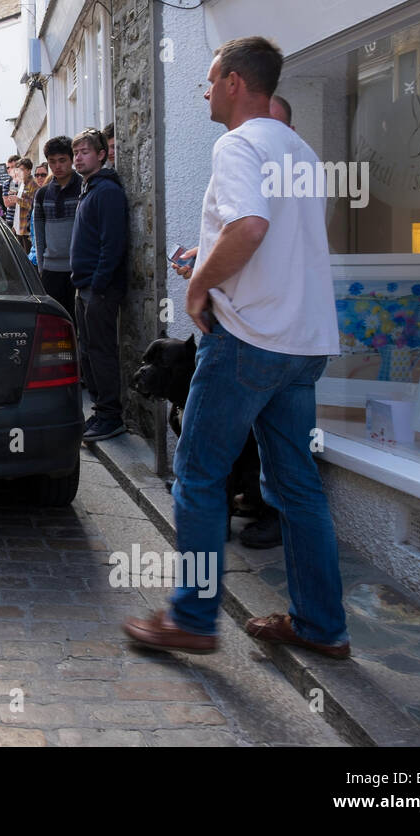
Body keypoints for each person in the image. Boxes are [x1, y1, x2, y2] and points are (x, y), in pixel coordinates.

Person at [122, 36, 347, 659]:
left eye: (211, 77)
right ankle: (321, 627)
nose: (204, 90)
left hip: (249, 340)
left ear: (235, 83)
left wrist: (198, 285)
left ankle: (193, 618)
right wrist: (211, 252)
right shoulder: (299, 151)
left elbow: (251, 226)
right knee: (297, 486)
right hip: (303, 345)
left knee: (198, 475)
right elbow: (275, 239)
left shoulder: (238, 143)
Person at [70, 128, 129, 442]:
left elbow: (112, 244)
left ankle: (110, 415)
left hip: (100, 289)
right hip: (85, 286)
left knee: (102, 352)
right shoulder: (89, 188)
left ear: (102, 154)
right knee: (89, 352)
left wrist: (98, 285)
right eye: (76, 152)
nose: (78, 157)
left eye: (85, 152)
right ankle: (99, 412)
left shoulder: (106, 191)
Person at [33, 136, 83, 317]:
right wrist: (41, 267)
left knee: (79, 322)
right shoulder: (42, 194)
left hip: (78, 269)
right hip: (51, 271)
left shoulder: (84, 188)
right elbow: (39, 234)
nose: (57, 166)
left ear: (72, 160)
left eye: (62, 160)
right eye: (52, 162)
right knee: (55, 322)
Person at [28, 161, 48, 264]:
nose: (39, 177)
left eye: (43, 175)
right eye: (37, 175)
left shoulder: (50, 194)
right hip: (35, 248)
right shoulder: (37, 193)